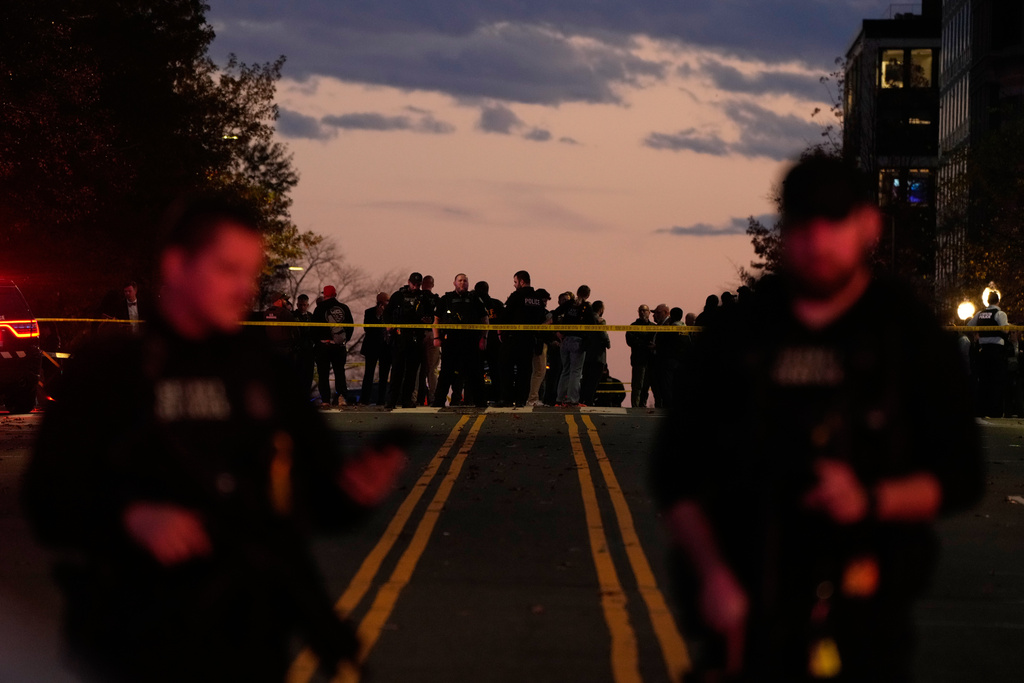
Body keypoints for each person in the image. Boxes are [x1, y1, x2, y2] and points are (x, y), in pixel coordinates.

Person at [21, 195, 406, 683]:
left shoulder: (263, 374)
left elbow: (310, 508)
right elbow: (46, 500)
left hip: (246, 642)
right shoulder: (111, 369)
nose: (244, 288)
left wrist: (353, 491)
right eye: (228, 269)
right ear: (177, 265)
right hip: (133, 638)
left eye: (250, 272)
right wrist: (131, 518)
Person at [650, 157, 984, 682]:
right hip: (747, 607)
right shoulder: (740, 333)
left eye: (835, 223)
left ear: (867, 226)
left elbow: (962, 474)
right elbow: (674, 472)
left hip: (867, 614)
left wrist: (870, 499)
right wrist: (713, 575)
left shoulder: (906, 334)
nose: (818, 241)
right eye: (804, 225)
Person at [431, 273, 488, 407]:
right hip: (451, 341)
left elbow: (485, 320)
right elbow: (436, 320)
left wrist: (483, 338)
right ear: (454, 283)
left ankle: (480, 402)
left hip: (470, 341)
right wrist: (436, 337)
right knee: (446, 372)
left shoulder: (475, 299)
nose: (463, 283)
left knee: (475, 373)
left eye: (465, 281)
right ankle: (438, 402)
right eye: (460, 280)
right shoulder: (446, 299)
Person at [499, 270, 548, 407]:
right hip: (529, 339)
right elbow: (541, 318)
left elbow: (505, 316)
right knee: (525, 371)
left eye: (515, 282)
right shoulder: (537, 298)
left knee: (506, 368)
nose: (514, 285)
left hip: (513, 338)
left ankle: (507, 399)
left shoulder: (516, 296)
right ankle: (521, 400)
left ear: (521, 281)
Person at [384, 272, 429, 409]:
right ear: (409, 282)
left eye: (418, 285)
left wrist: (427, 319)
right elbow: (387, 313)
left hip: (416, 338)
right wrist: (388, 325)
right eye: (414, 284)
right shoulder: (398, 296)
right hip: (400, 337)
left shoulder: (423, 297)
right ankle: (391, 400)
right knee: (397, 370)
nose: (415, 287)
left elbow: (429, 315)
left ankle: (406, 400)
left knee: (411, 373)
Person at [967, 289, 1010, 417]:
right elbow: (1006, 331)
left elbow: (968, 325)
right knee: (996, 382)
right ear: (998, 301)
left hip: (983, 351)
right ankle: (995, 411)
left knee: (983, 381)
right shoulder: (1000, 314)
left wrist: (978, 334)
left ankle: (981, 410)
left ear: (987, 301)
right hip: (996, 352)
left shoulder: (980, 313)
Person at [554, 285, 597, 406]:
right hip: (578, 342)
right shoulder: (586, 307)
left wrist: (558, 330)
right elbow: (593, 327)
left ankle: (560, 398)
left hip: (565, 340)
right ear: (588, 295)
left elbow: (556, 313)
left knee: (565, 370)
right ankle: (572, 399)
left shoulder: (569, 304)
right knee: (576, 371)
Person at [312, 285, 354, 408]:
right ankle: (341, 397)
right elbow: (350, 327)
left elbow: (313, 329)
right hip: (339, 346)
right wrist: (343, 340)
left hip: (323, 347)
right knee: (340, 373)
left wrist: (318, 342)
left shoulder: (319, 309)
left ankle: (325, 400)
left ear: (324, 295)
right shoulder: (344, 308)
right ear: (335, 294)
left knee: (323, 374)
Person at [358, 292, 391, 406]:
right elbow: (367, 328)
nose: (386, 303)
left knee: (384, 375)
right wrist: (377, 316)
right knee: (369, 373)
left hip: (386, 347)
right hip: (372, 347)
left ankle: (381, 400)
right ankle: (364, 399)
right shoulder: (369, 312)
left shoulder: (391, 313)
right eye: (384, 301)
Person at [474, 281, 504, 403]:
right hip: (494, 341)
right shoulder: (496, 304)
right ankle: (498, 396)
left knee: (477, 370)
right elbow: (503, 321)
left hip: (478, 340)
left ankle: (478, 398)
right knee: (495, 370)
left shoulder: (474, 304)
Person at [415, 275, 441, 406]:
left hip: (423, 334)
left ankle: (419, 398)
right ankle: (431, 397)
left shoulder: (417, 298)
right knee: (431, 369)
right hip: (429, 334)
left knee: (421, 369)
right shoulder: (436, 299)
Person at [580, 300, 610, 406]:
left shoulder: (585, 319)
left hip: (586, 353)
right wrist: (608, 343)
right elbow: (603, 334)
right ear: (601, 309)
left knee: (585, 378)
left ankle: (581, 399)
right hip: (598, 354)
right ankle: (588, 400)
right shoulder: (600, 320)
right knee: (594, 380)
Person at [626, 304, 656, 408]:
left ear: (649, 312)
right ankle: (636, 406)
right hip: (638, 360)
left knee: (646, 386)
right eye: (640, 311)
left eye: (644, 310)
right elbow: (630, 341)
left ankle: (642, 404)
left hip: (651, 361)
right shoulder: (633, 326)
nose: (642, 312)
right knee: (637, 385)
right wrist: (645, 344)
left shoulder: (654, 327)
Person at [293, 293, 316, 400]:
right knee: (297, 375)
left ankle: (305, 397)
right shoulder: (292, 316)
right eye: (300, 305)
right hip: (296, 350)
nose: (302, 307)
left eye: (304, 305)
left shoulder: (311, 317)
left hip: (309, 350)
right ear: (297, 305)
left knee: (308, 375)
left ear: (307, 305)